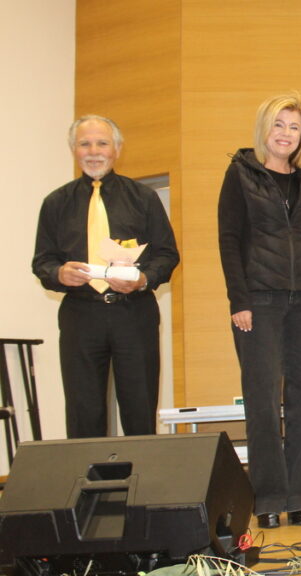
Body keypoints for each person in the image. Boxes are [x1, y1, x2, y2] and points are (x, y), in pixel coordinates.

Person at [217, 94, 301, 529]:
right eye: (279, 125)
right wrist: (239, 300)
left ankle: (300, 495)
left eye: (294, 127)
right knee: (263, 400)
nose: (286, 134)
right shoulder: (240, 174)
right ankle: (268, 497)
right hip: (260, 301)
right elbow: (229, 239)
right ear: (264, 129)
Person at [33, 115, 179, 439]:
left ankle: (141, 473)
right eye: (85, 144)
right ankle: (89, 474)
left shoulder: (143, 198)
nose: (93, 151)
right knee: (83, 413)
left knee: (140, 410)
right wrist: (58, 273)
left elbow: (167, 255)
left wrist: (143, 279)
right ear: (73, 149)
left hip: (134, 313)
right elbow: (42, 261)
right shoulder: (55, 203)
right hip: (80, 315)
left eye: (102, 143)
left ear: (117, 149)